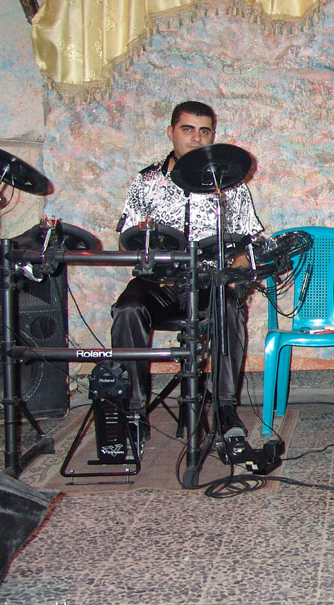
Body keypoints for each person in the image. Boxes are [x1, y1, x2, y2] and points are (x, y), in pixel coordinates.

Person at [111, 100, 264, 445]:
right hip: (160, 282)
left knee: (229, 307)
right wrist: (143, 245)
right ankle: (132, 411)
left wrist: (235, 277)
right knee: (127, 310)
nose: (196, 138)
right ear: (171, 132)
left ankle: (225, 409)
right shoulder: (146, 181)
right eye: (187, 129)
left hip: (210, 281)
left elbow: (249, 244)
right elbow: (124, 240)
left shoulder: (231, 185)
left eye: (204, 131)